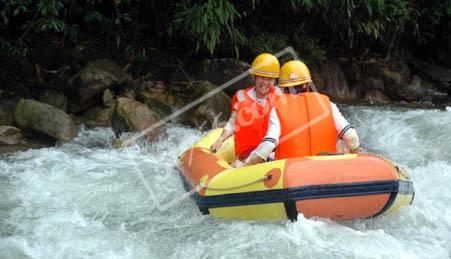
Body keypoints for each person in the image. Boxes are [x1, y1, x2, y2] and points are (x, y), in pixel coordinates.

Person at [239, 60, 360, 167]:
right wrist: (356, 158)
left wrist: (246, 165)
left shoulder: (278, 107)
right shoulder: (328, 104)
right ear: (307, 86)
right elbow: (352, 136)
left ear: (283, 89)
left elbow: (269, 145)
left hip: (290, 172)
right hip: (326, 168)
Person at [210, 53, 282, 166]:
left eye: (269, 79)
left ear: (274, 81)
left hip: (273, 154)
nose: (265, 83)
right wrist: (220, 140)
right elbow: (233, 122)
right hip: (247, 155)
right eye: (262, 78)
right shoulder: (241, 96)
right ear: (255, 77)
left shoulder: (279, 95)